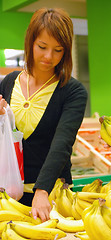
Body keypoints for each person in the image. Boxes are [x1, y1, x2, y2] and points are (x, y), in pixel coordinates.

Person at [0, 8, 87, 221]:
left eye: (58, 50)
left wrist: (42, 191)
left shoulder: (72, 92)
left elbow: (62, 143)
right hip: (9, 194)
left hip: (52, 198)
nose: (49, 56)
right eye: (42, 47)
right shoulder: (9, 82)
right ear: (30, 41)